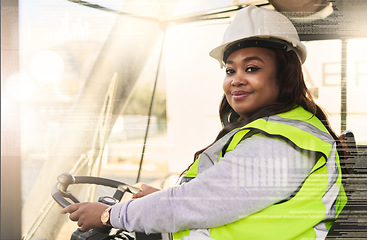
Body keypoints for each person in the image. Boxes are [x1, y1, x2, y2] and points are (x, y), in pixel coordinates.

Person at [61, 5, 347, 239]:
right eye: (230, 69)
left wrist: (108, 215)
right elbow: (219, 198)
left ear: (285, 75)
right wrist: (161, 200)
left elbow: (199, 204)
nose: (236, 79)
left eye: (252, 68)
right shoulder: (276, 130)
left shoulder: (282, 142)